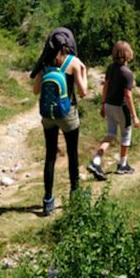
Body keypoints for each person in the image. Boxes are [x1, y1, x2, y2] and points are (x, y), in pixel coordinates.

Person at [33, 31, 87, 216]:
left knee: (50, 156)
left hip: (48, 115)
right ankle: (75, 196)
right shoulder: (73, 62)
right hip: (68, 113)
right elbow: (83, 92)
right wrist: (83, 72)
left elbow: (35, 91)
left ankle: (48, 201)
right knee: (72, 154)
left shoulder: (44, 64)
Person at [87, 40, 139, 180]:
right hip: (121, 108)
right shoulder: (127, 73)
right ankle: (122, 165)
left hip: (109, 105)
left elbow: (105, 87)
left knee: (110, 134)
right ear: (128, 54)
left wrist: (103, 104)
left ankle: (96, 161)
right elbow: (128, 95)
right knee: (126, 135)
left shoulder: (110, 68)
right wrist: (134, 116)